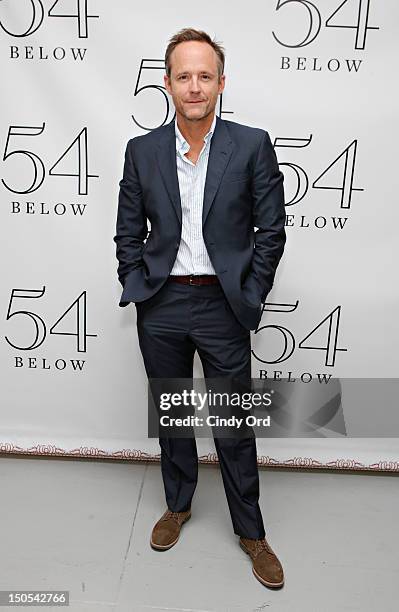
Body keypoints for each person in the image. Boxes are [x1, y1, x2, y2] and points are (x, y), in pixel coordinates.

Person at [113, 27, 286, 589]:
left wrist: (250, 292)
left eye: (204, 76)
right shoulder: (141, 151)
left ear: (220, 83)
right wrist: (136, 280)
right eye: (183, 76)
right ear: (167, 84)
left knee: (233, 423)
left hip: (222, 303)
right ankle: (178, 504)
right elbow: (127, 231)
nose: (194, 86)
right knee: (174, 414)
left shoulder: (252, 143)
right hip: (160, 302)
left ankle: (251, 531)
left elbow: (271, 230)